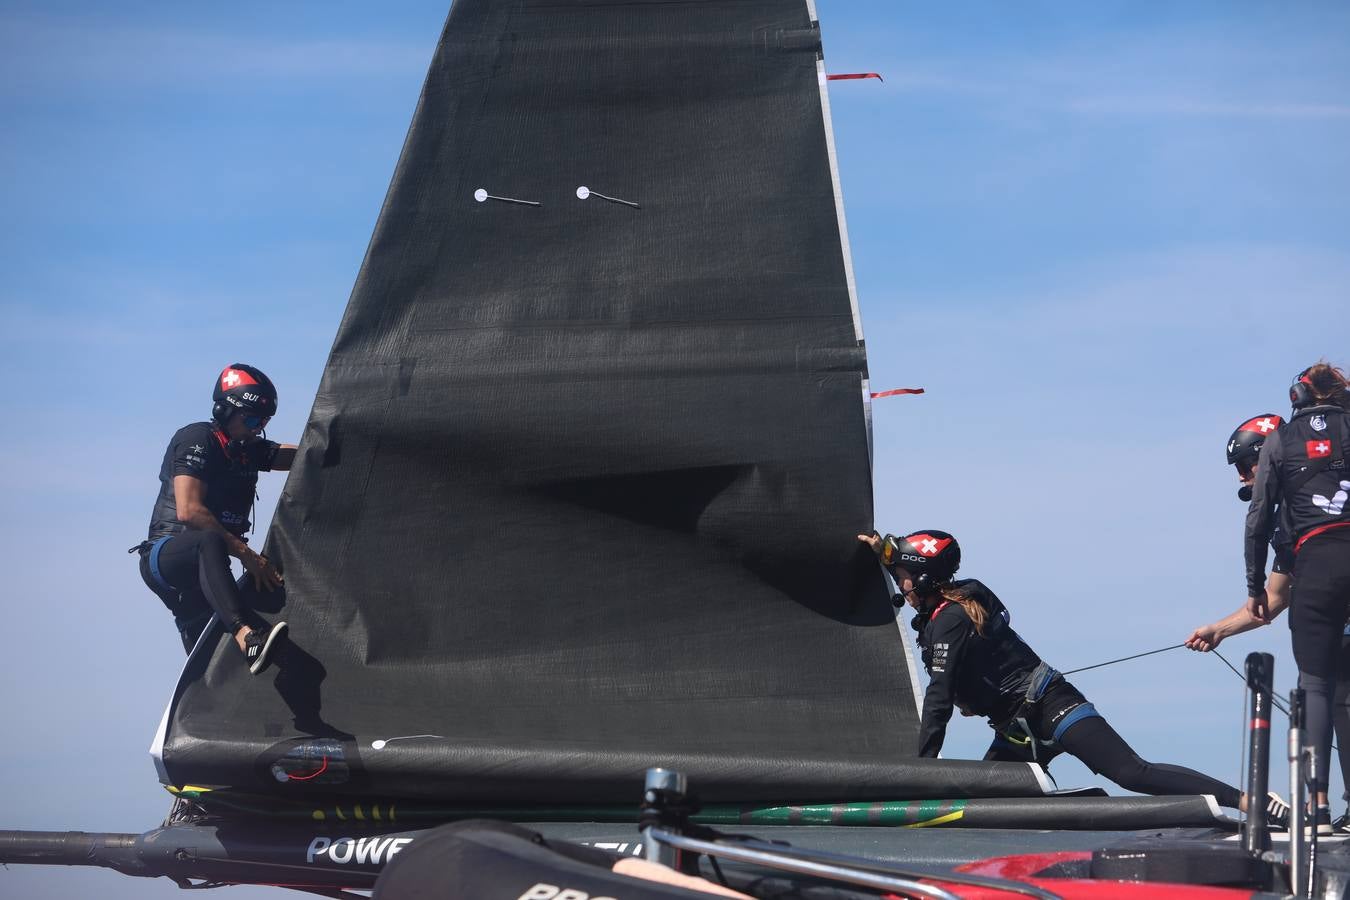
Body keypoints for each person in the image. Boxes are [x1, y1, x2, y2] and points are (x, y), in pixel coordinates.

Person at [859, 528, 1289, 827]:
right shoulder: (944, 607)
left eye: (903, 578)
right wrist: (883, 551)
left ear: (924, 578)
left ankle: (1250, 802)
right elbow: (913, 563)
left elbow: (939, 698)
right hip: (1016, 730)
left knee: (1132, 773)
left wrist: (920, 774)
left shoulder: (949, 619)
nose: (901, 586)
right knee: (978, 808)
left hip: (1051, 705)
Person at [1185, 413, 1350, 833]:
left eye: (1245, 466)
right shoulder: (1292, 515)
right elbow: (1272, 601)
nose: (1241, 477)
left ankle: (1322, 810)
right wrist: (1217, 630)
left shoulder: (1302, 505)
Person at [130, 364, 295, 671]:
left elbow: (296, 456)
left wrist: (335, 447)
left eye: (264, 421)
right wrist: (247, 555)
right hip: (166, 557)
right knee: (208, 539)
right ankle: (247, 638)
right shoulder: (199, 437)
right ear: (223, 411)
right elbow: (189, 512)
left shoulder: (245, 447)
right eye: (251, 419)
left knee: (211, 669)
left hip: (200, 580)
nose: (257, 428)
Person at [1245, 362, 1350, 833]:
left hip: (1316, 564)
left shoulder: (1279, 440)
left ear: (1298, 396)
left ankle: (1319, 808)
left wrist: (1253, 585)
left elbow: (1259, 515)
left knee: (1317, 683)